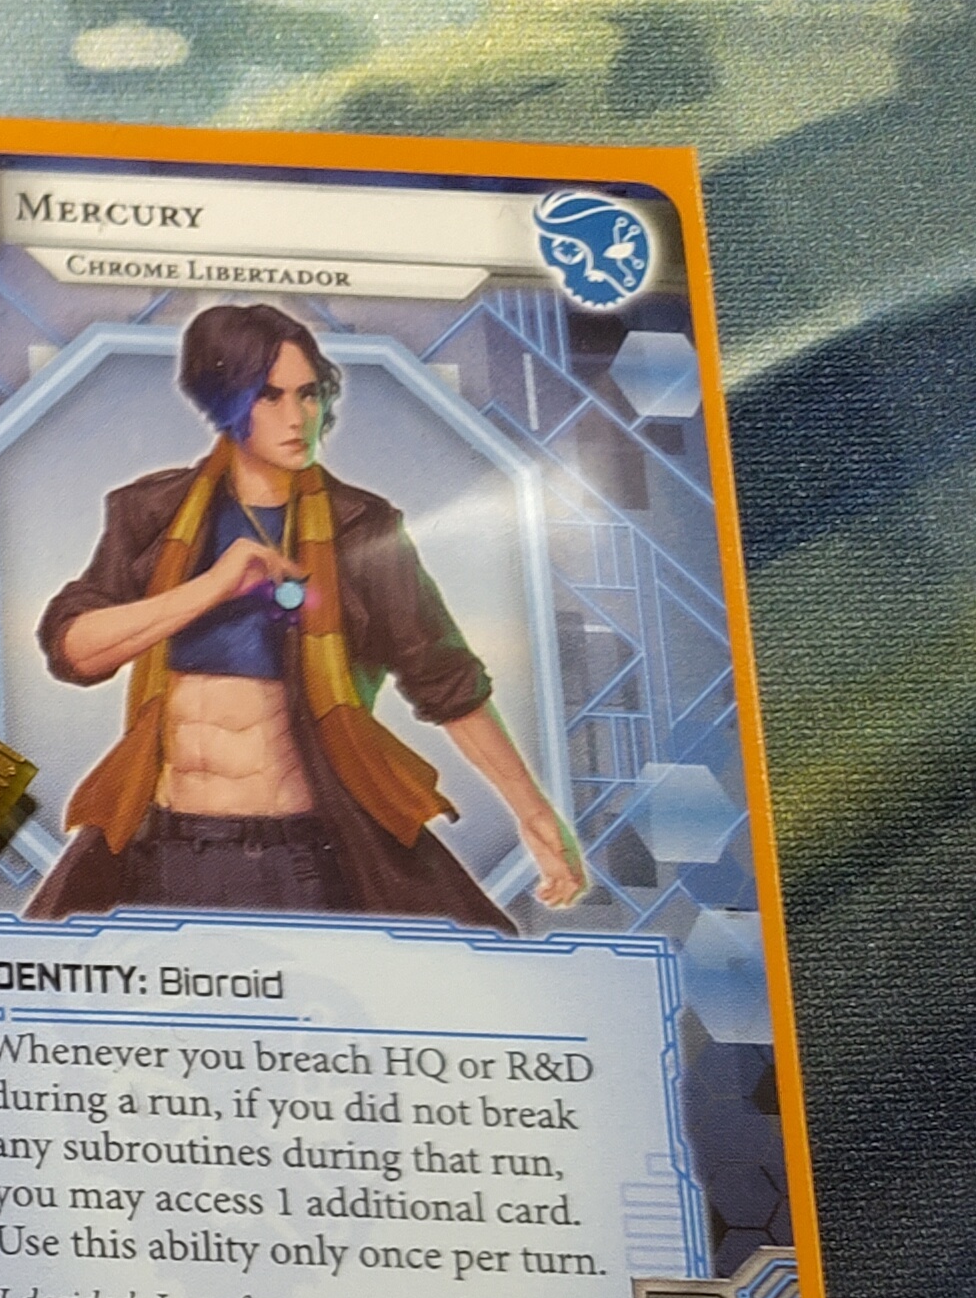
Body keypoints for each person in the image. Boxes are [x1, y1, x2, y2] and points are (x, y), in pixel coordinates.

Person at [31, 300, 586, 928]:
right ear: (225, 400)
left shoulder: (360, 529)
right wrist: (213, 586)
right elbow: (75, 650)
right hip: (163, 850)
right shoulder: (152, 513)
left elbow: (445, 680)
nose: (298, 418)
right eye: (269, 396)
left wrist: (531, 810)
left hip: (299, 856)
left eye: (309, 393)